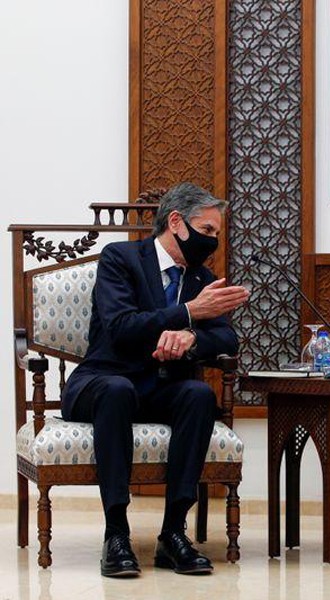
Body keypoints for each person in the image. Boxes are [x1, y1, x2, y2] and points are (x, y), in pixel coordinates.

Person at [62, 183, 249, 578]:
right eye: (208, 230)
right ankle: (116, 533)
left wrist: (192, 336)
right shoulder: (121, 258)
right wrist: (187, 312)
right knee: (117, 390)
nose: (213, 241)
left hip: (158, 387)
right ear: (177, 222)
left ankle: (172, 534)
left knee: (198, 394)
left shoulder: (201, 279)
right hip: (103, 379)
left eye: (216, 233)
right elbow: (120, 327)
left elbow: (227, 336)